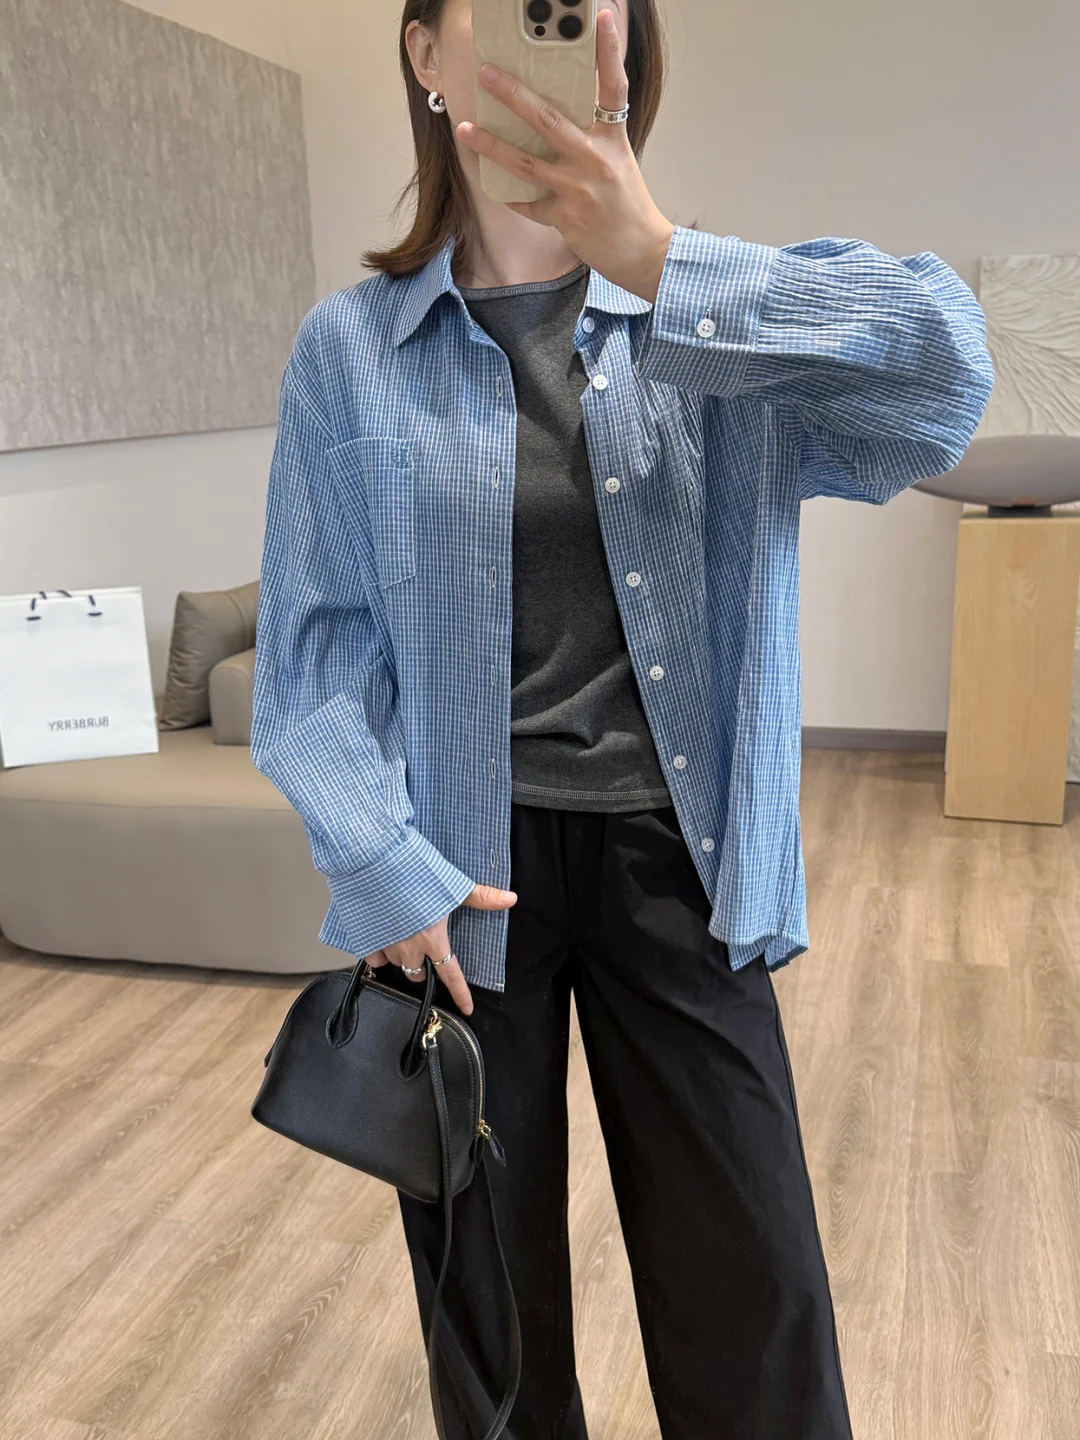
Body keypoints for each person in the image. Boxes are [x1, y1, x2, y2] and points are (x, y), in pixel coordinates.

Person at [250, 2, 994, 1436]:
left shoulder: (709, 313)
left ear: (626, 51)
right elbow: (313, 651)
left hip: (680, 862)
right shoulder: (350, 351)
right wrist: (380, 863)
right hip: (458, 881)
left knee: (755, 1292)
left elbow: (945, 373)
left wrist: (658, 260)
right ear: (424, 52)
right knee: (491, 1310)